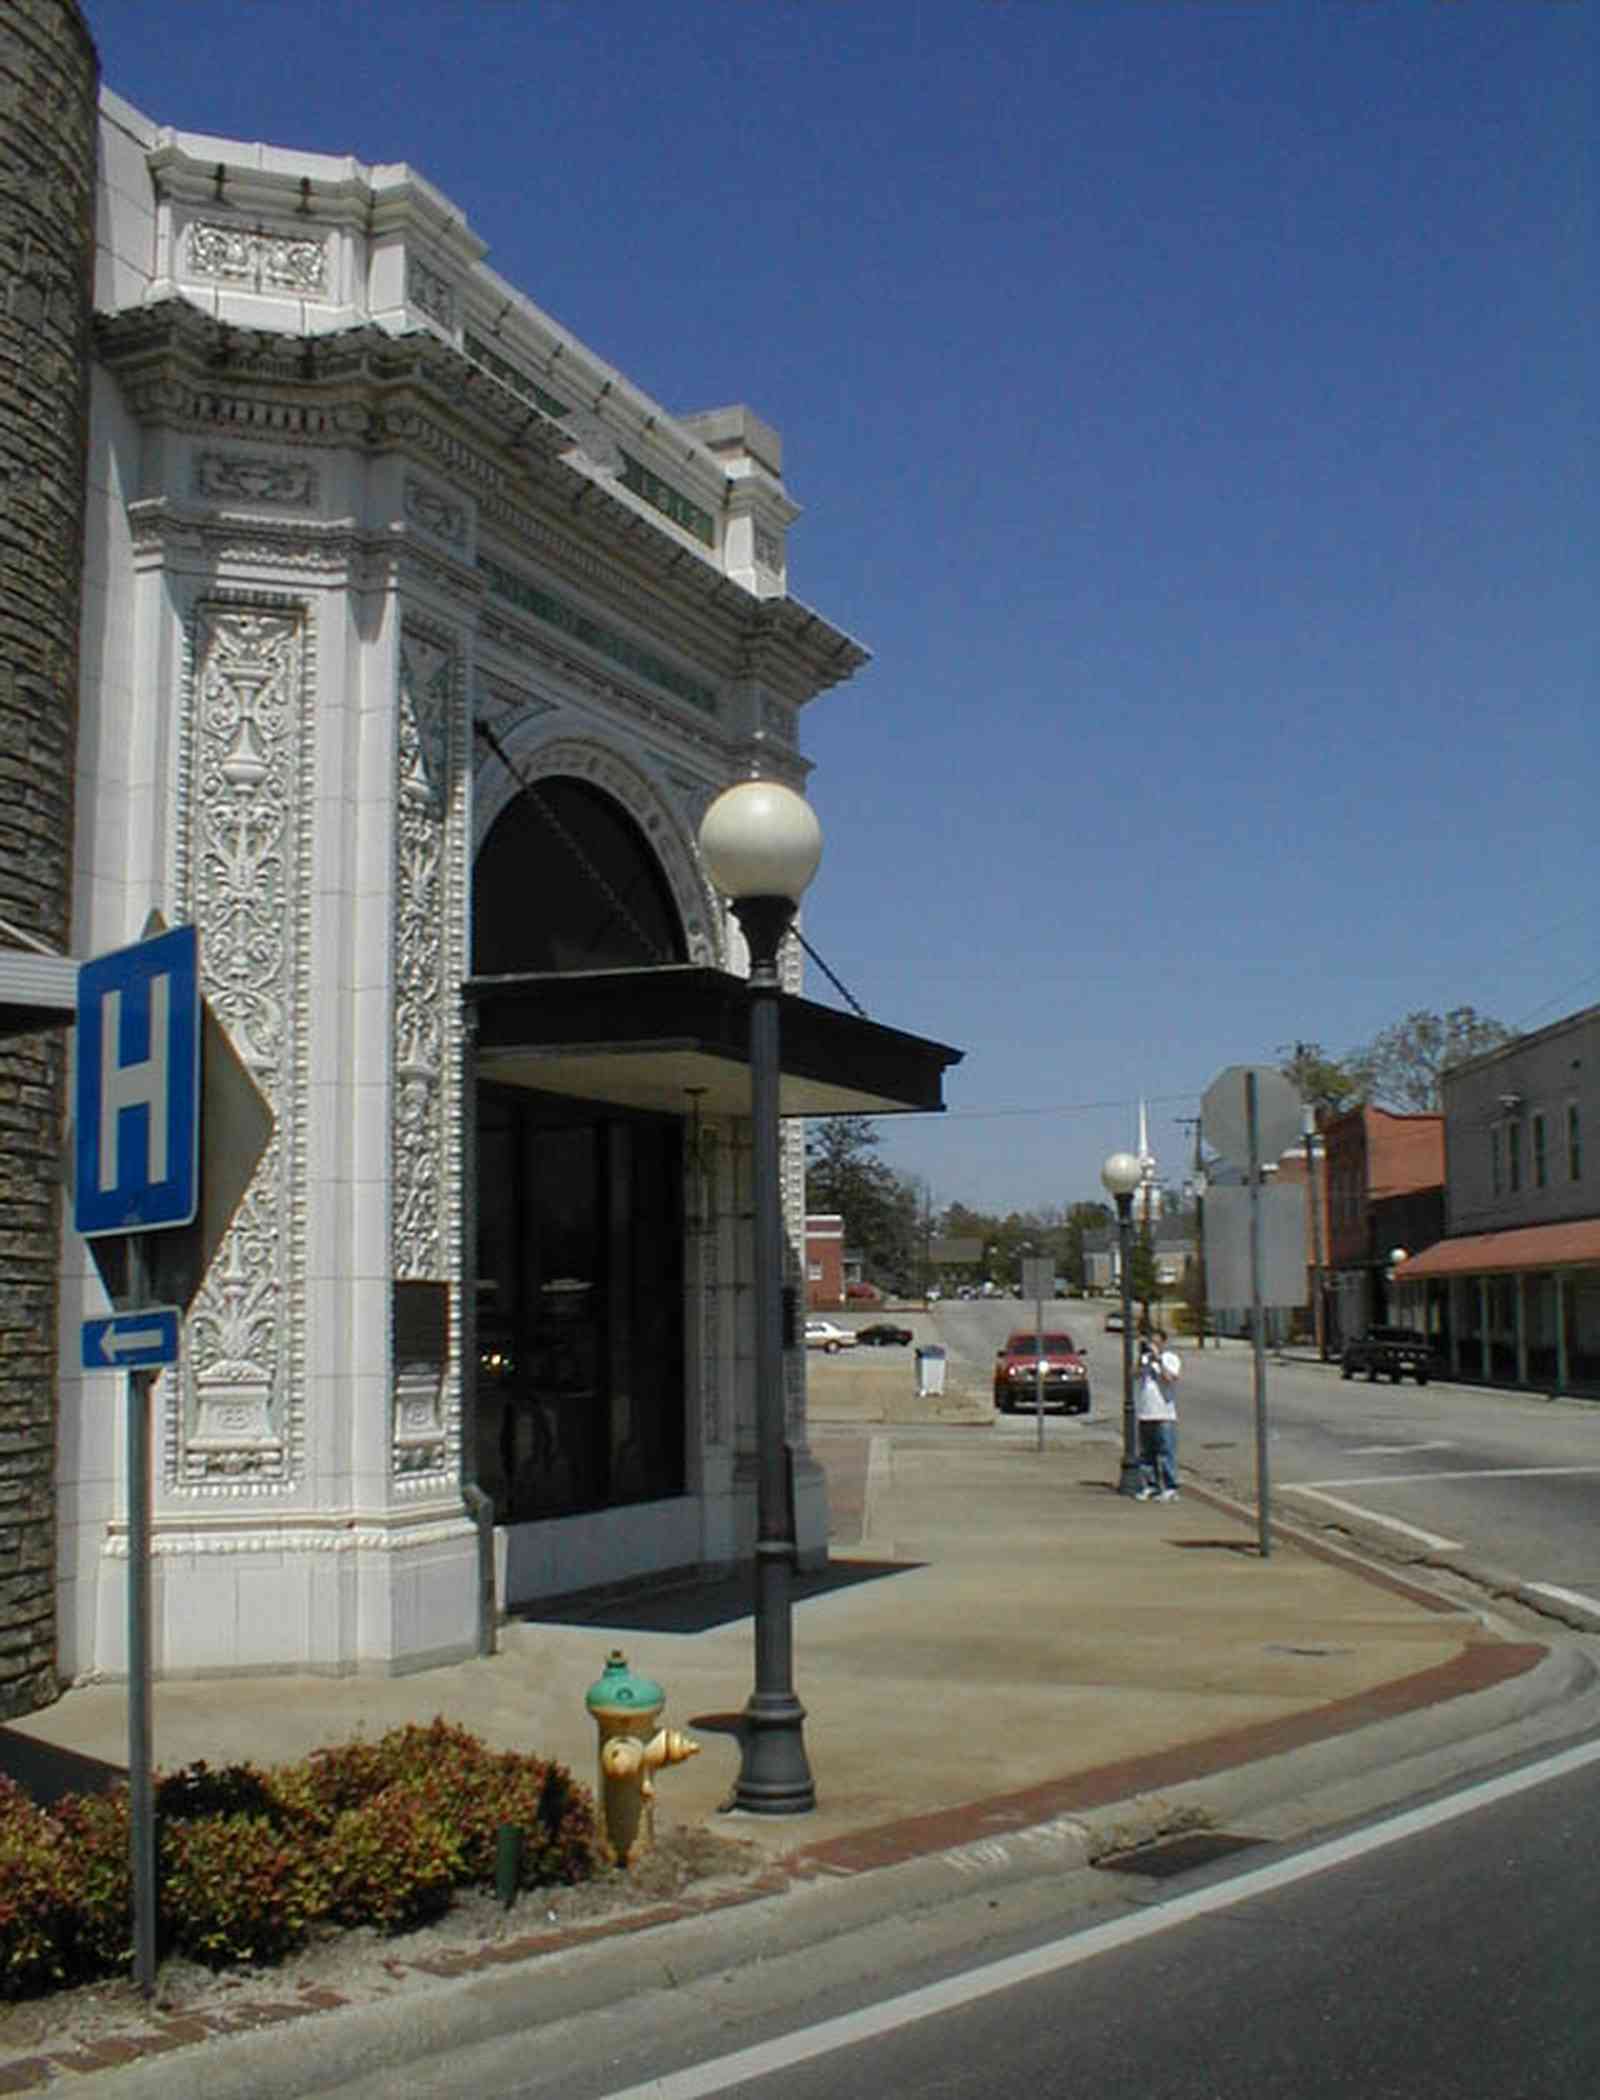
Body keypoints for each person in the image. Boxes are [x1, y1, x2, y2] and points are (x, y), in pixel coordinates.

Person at [1133, 1329, 1181, 1502]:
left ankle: (1170, 1487)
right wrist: (1141, 1358)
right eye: (1149, 1342)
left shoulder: (1170, 1358)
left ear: (1163, 1342)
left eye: (1155, 1341)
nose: (1152, 1344)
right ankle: (1150, 1486)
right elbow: (1134, 1375)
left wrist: (1158, 1360)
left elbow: (1170, 1378)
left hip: (1164, 1414)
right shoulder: (1145, 1360)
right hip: (1146, 1412)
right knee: (1147, 1453)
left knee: (1166, 1452)